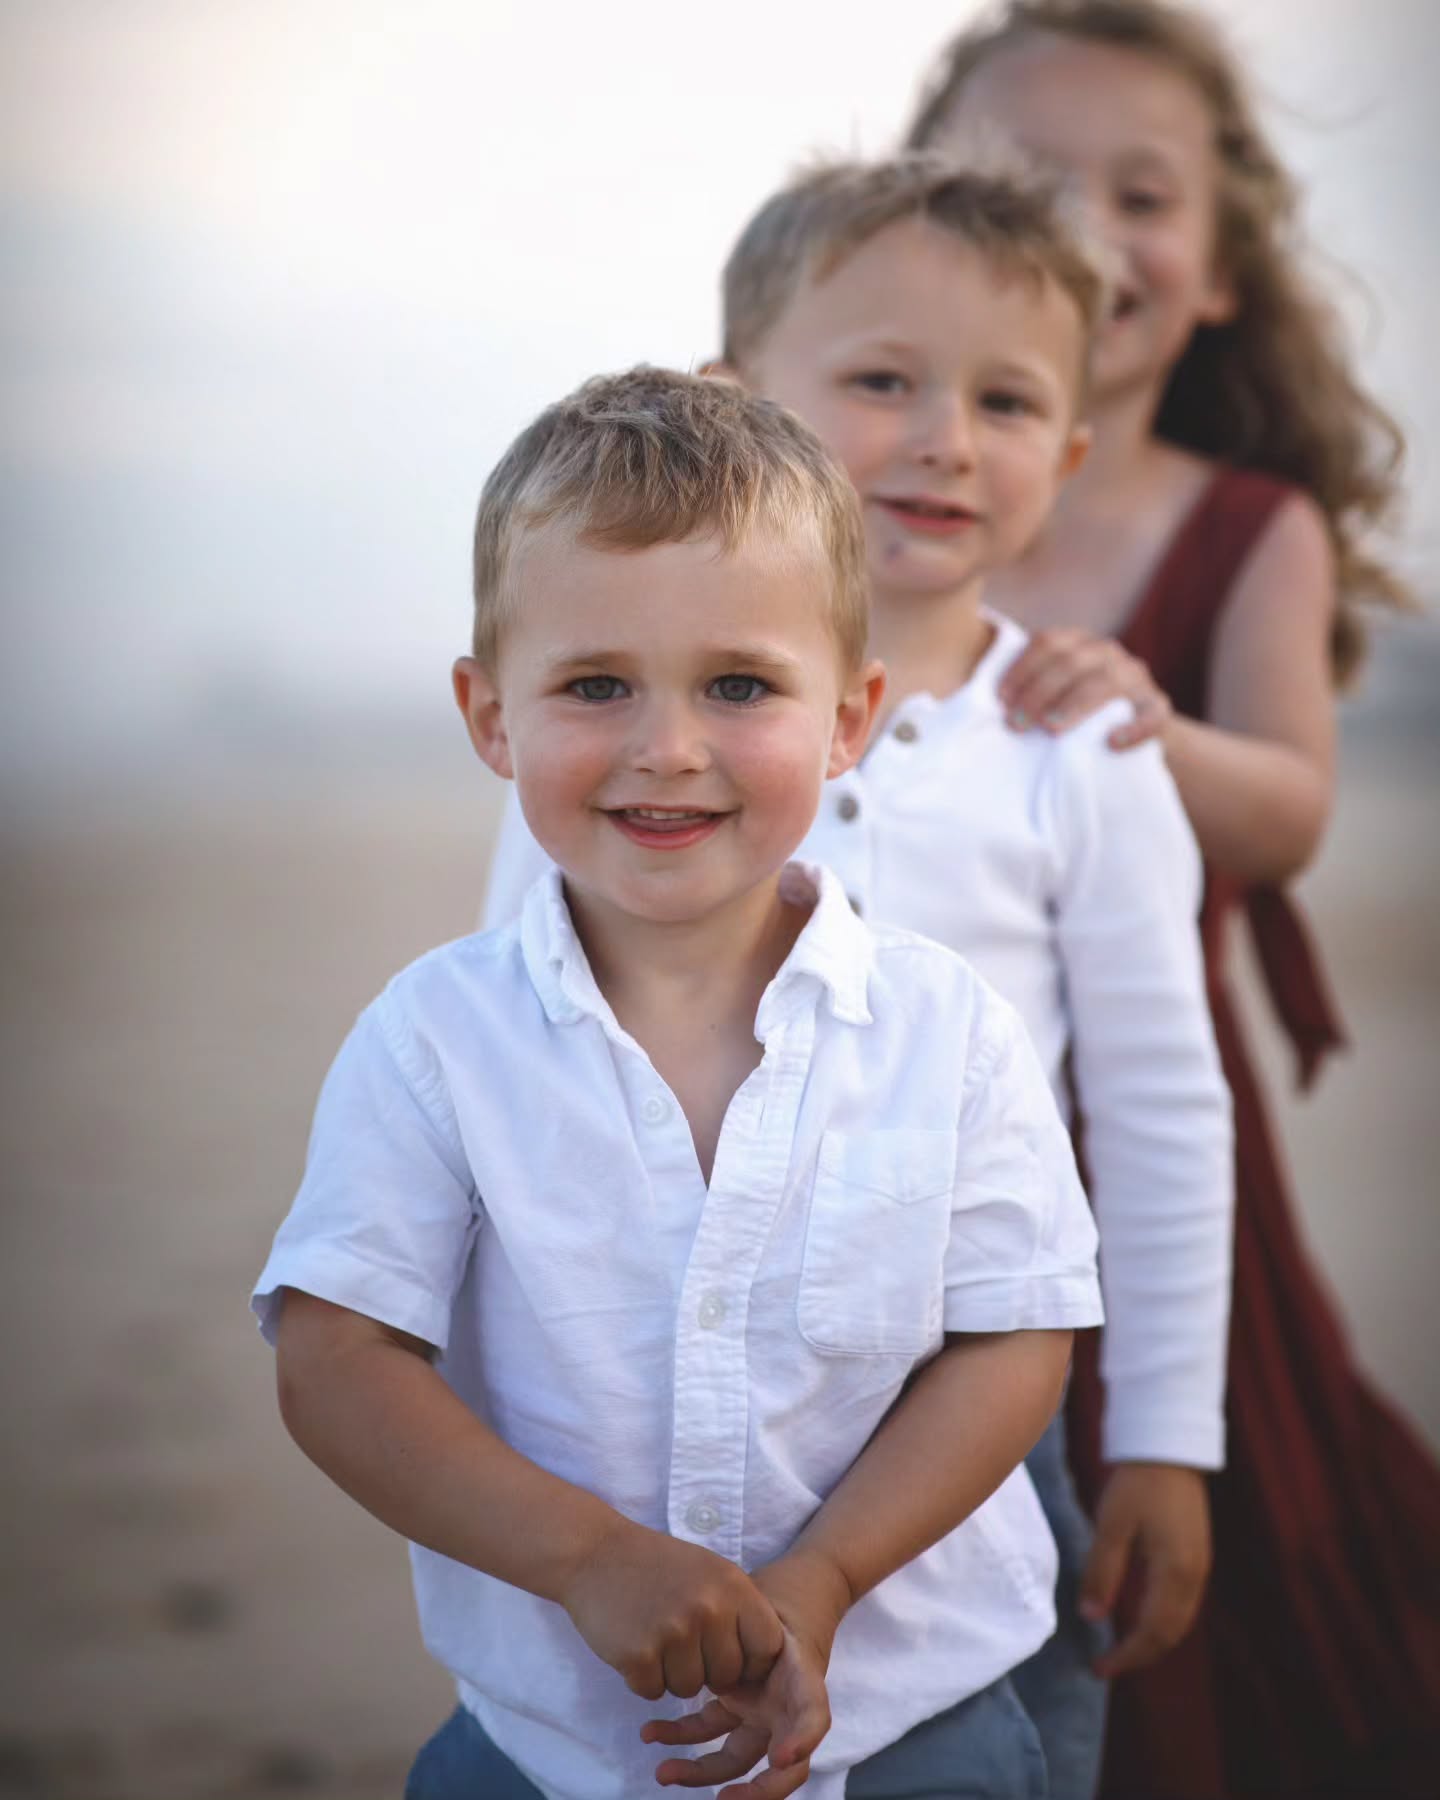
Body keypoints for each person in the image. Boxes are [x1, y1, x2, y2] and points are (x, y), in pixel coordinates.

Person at [482, 164, 1234, 1800]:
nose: (945, 436)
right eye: (883, 379)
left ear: (1071, 453)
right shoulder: (616, 748)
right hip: (645, 1368)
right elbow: (521, 1013)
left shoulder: (1081, 752)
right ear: (740, 399)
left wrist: (1169, 1433)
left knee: (983, 1734)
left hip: (970, 1379)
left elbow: (1166, 1108)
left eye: (1008, 398)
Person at [254, 366, 1107, 1800]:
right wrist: (585, 1557)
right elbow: (338, 1363)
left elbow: (1013, 1337)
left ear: (849, 716)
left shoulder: (948, 1030)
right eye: (596, 685)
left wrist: (828, 1574)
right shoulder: (432, 1041)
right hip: (551, 1742)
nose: (668, 746)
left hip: (916, 1722)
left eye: (739, 685)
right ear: (490, 716)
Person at [902, 4, 1440, 1795]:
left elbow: (1286, 812)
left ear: (1216, 272)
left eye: (1142, 191)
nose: (1086, 220)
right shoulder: (865, 485)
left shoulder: (1245, 520)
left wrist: (1147, 723)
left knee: (1183, 1487)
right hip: (885, 1093)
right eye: (1023, 174)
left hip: (1137, 1100)